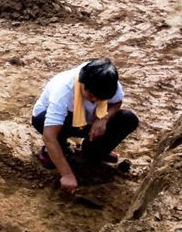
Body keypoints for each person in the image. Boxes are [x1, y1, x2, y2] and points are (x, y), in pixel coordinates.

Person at [32, 58, 139, 193]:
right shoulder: (64, 90)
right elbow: (49, 137)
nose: (95, 100)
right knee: (52, 132)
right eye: (91, 95)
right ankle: (55, 150)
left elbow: (117, 102)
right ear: (82, 83)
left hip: (87, 120)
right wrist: (67, 175)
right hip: (51, 119)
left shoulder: (109, 83)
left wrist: (104, 118)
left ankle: (92, 152)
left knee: (128, 119)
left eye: (100, 99)